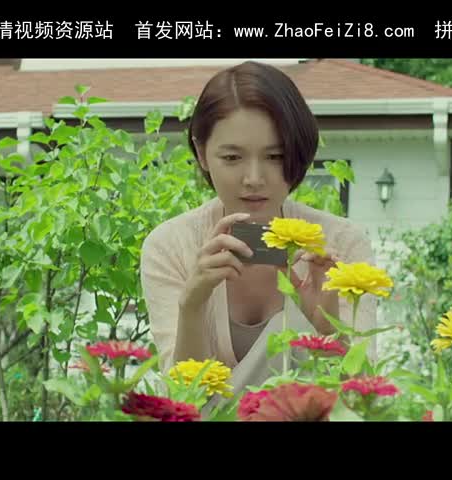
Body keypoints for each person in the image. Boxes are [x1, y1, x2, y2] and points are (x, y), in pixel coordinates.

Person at [140, 61, 377, 395]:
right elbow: (183, 401)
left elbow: (364, 397)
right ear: (202, 153)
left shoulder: (341, 244)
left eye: (275, 157)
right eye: (232, 158)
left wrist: (328, 329)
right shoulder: (170, 246)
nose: (253, 179)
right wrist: (192, 304)